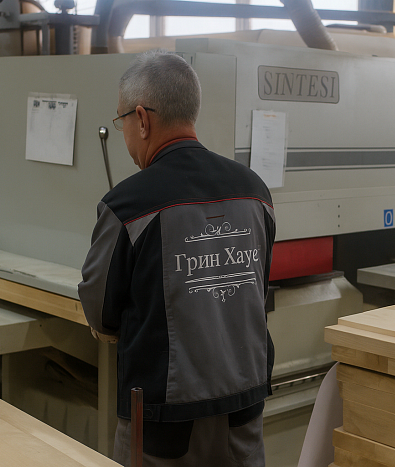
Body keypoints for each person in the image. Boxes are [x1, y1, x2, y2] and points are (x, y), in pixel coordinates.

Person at [78, 50, 276, 467]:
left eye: (122, 122)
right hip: (244, 407)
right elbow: (256, 289)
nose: (125, 136)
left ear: (141, 119)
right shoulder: (255, 191)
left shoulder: (127, 206)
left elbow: (100, 314)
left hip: (161, 422)